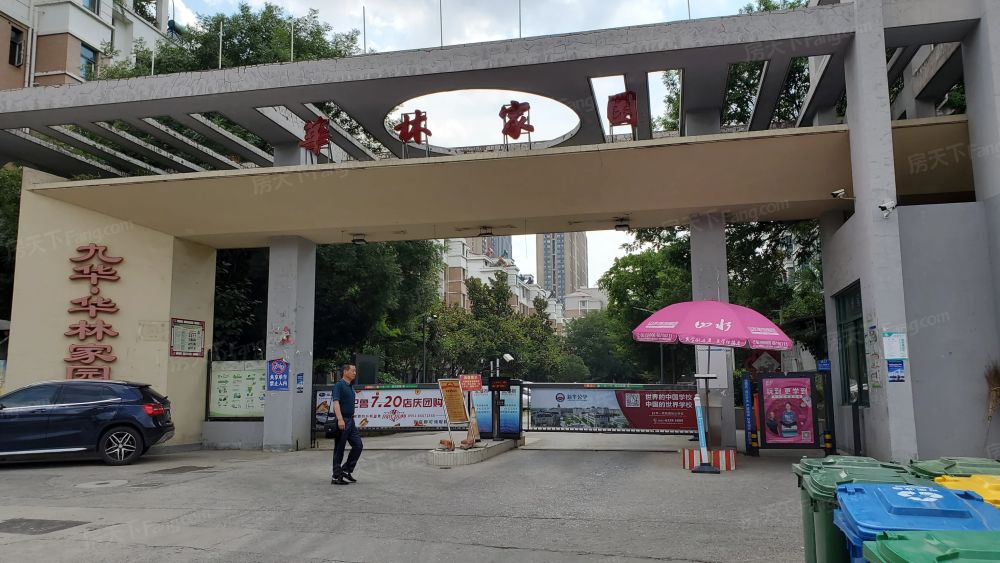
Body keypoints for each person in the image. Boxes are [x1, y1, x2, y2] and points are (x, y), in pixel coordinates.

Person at [331, 364, 363, 485]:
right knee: (339, 449)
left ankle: (345, 470)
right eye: (353, 371)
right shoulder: (339, 385)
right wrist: (340, 419)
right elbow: (336, 403)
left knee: (358, 445)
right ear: (345, 371)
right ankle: (336, 476)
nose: (355, 373)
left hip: (350, 421)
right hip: (343, 420)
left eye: (355, 371)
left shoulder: (350, 386)